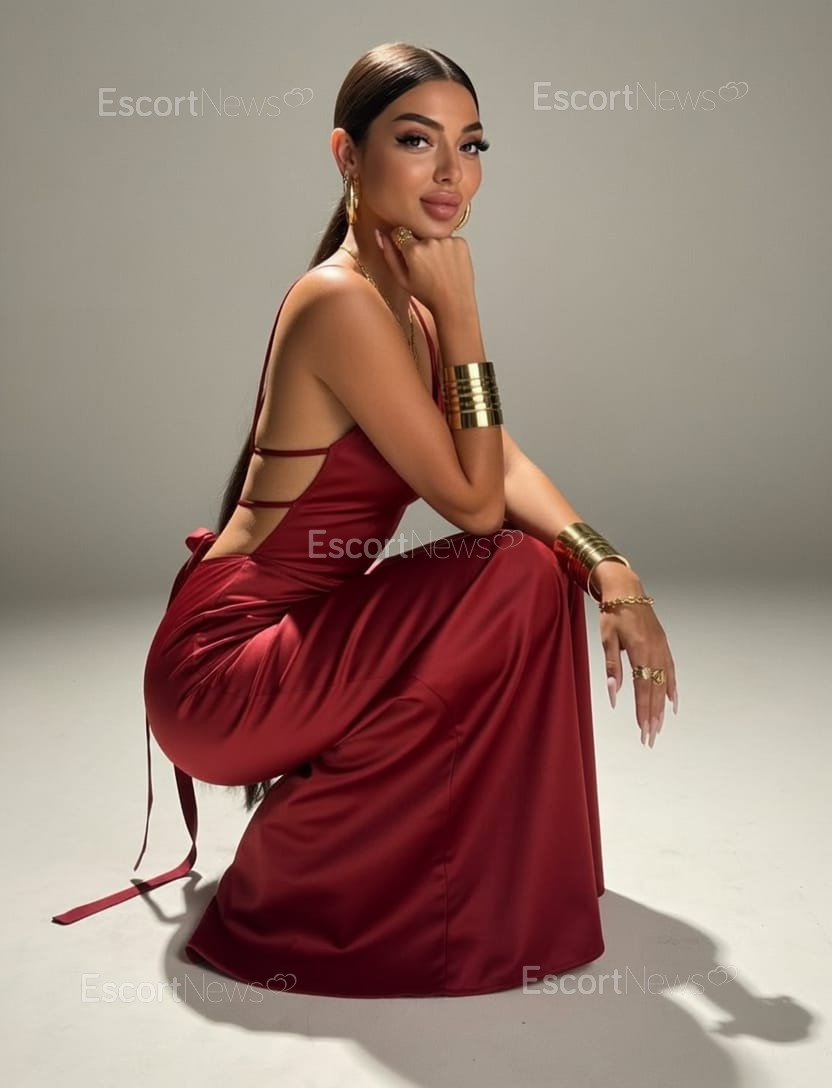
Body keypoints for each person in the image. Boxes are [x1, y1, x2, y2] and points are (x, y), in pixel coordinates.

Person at [52, 41, 679, 999]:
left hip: (299, 640)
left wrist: (611, 571)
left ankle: (479, 877)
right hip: (223, 667)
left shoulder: (404, 306)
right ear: (347, 155)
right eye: (417, 140)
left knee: (538, 564)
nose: (451, 172)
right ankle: (331, 882)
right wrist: (466, 321)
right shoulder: (341, 303)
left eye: (472, 145)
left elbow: (504, 463)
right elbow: (476, 501)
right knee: (512, 567)